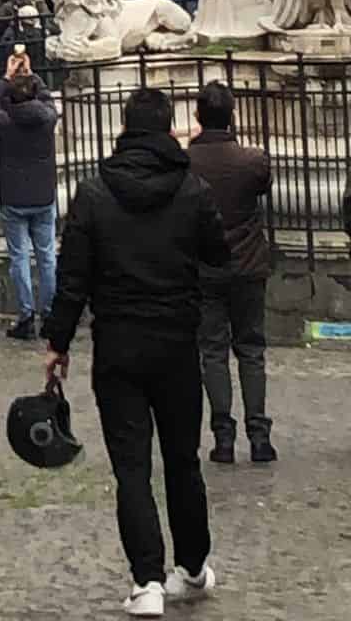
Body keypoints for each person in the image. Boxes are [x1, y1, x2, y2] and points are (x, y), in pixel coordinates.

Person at [43, 87, 230, 617]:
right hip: (176, 341)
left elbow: (72, 278)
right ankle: (191, 567)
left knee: (131, 466)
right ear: (170, 128)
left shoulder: (95, 192)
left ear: (124, 127)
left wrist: (58, 342)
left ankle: (146, 581)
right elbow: (220, 255)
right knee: (181, 461)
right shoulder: (191, 189)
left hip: (119, 345)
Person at [188, 80, 275, 464]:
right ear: (232, 116)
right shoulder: (253, 160)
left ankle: (223, 437)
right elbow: (262, 187)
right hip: (248, 265)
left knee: (212, 352)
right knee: (252, 350)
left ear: (197, 116)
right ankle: (259, 436)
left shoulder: (187, 163)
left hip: (206, 269)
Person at [0, 49, 59, 341]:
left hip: (13, 196)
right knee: (47, 256)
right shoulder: (48, 119)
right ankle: (50, 313)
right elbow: (48, 98)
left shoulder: (5, 122)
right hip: (43, 194)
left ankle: (26, 316)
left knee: (19, 257)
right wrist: (31, 75)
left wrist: (7, 77)